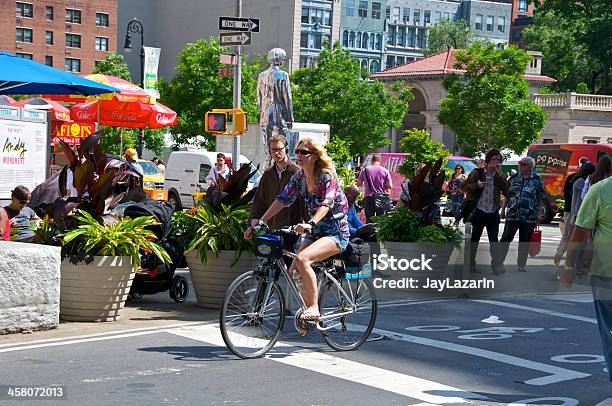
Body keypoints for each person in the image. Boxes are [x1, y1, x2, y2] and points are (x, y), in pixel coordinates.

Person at [255, 138, 349, 322]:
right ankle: (308, 314)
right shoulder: (299, 177)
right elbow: (282, 199)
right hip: (315, 232)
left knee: (303, 259)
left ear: (314, 156)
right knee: (294, 271)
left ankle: (314, 308)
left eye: (304, 152)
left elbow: (327, 203)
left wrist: (310, 223)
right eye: (297, 151)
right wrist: (261, 220)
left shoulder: (326, 176)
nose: (299, 155)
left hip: (335, 232)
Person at [560, 175, 612, 383]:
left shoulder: (600, 189)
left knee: (609, 328)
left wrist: (569, 265)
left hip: (605, 271)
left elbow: (580, 231)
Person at [245, 135, 304, 249]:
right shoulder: (268, 174)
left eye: (279, 149)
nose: (276, 153)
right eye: (273, 150)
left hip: (292, 228)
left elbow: (304, 201)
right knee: (272, 261)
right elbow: (259, 201)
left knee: (290, 261)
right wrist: (251, 225)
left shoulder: (296, 172)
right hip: (272, 226)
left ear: (286, 149)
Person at [463, 149, 510, 274]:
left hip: (493, 211)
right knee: (475, 238)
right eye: (494, 159)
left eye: (498, 160)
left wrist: (499, 175)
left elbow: (507, 192)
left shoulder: (499, 176)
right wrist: (476, 185)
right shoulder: (477, 173)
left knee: (494, 240)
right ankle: (470, 265)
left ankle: (496, 266)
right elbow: (464, 187)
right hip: (479, 210)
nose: (496, 162)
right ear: (488, 160)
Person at [496, 157, 544, 273]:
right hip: (513, 213)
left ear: (530, 167)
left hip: (529, 216)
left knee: (524, 241)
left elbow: (540, 198)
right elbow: (508, 195)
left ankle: (521, 265)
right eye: (520, 163)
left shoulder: (536, 180)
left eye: (523, 164)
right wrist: (502, 210)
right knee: (506, 238)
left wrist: (538, 213)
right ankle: (498, 263)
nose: (520, 165)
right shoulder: (513, 178)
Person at [554, 158, 593, 265]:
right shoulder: (584, 181)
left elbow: (566, 193)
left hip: (569, 209)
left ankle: (560, 254)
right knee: (576, 236)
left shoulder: (572, 177)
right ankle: (571, 260)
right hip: (576, 211)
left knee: (567, 234)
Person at [356, 155, 392, 222]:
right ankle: (380, 232)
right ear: (379, 161)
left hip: (368, 197)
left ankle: (370, 232)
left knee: (369, 219)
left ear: (372, 160)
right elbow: (390, 186)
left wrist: (366, 183)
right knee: (381, 220)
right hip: (381, 198)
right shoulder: (385, 170)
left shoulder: (365, 170)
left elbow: (358, 184)